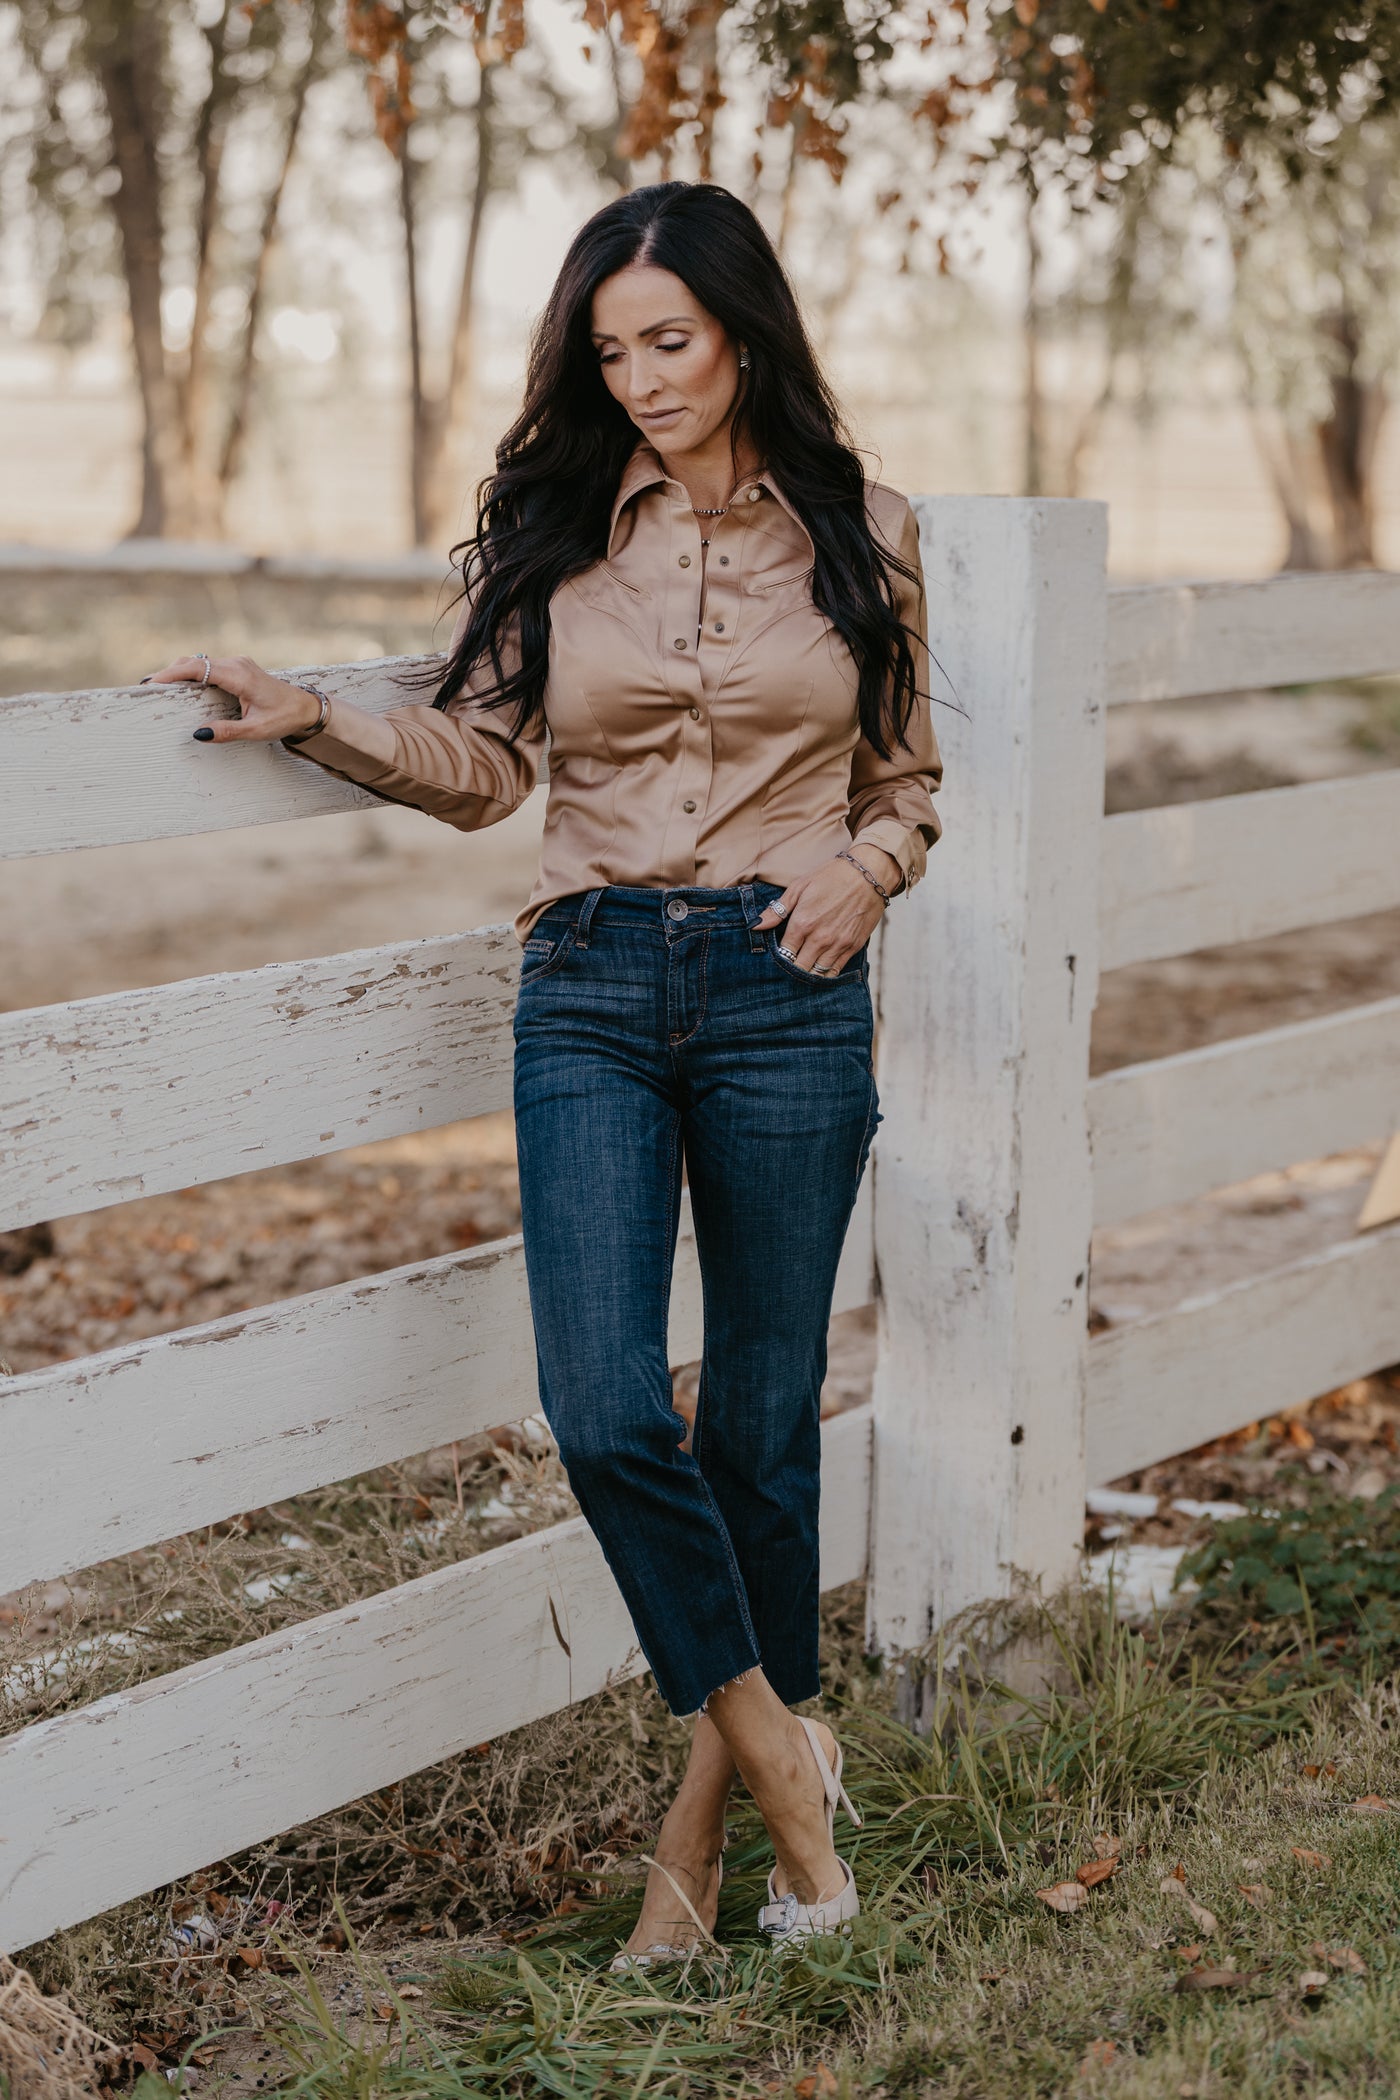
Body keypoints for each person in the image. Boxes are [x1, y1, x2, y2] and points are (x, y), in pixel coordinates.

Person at [142, 180, 941, 1963]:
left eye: (671, 340)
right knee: (602, 1410)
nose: (643, 380)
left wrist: (868, 870)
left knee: (757, 1425)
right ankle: (793, 1767)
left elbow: (905, 782)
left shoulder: (866, 530)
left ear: (745, 334)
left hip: (790, 986)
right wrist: (323, 722)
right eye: (611, 351)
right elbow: (488, 766)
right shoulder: (563, 523)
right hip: (589, 987)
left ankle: (697, 1842)